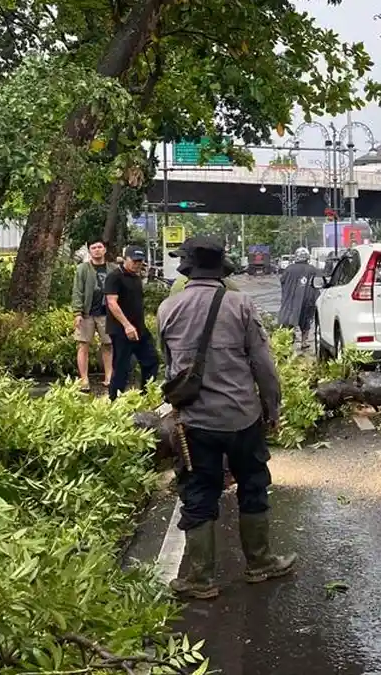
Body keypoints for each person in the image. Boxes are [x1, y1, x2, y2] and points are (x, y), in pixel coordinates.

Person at [157, 236, 294, 600]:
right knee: (252, 483)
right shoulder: (241, 305)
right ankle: (260, 563)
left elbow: (170, 367)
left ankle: (200, 579)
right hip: (242, 417)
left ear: (187, 268)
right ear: (222, 268)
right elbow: (263, 366)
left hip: (194, 422)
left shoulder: (167, 308)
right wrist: (272, 408)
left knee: (198, 493)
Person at [104, 245, 159, 399]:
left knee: (152, 360)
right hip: (121, 331)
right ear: (125, 259)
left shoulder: (136, 276)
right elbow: (112, 303)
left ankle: (147, 396)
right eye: (134, 261)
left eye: (140, 261)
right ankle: (114, 400)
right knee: (122, 368)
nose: (137, 264)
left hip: (140, 329)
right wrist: (127, 325)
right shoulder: (115, 277)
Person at [71, 239, 116, 390]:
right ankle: (84, 379)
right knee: (83, 344)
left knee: (108, 344)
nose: (97, 250)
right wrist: (77, 312)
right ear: (90, 250)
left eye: (100, 247)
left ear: (104, 250)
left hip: (107, 313)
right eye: (94, 247)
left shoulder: (112, 269)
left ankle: (109, 377)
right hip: (87, 313)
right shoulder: (83, 269)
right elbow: (77, 291)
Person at [277, 247, 321, 350]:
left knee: (289, 319)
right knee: (306, 320)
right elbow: (318, 284)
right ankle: (304, 341)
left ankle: (289, 340)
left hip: (290, 299)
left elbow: (282, 281)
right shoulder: (312, 269)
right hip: (307, 300)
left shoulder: (289, 269)